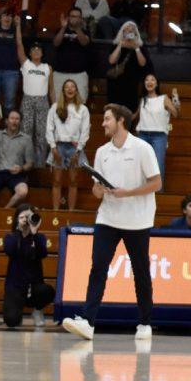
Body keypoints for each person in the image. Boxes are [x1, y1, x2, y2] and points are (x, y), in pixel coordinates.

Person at [62, 104, 162, 341]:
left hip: (138, 219)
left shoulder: (142, 148)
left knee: (141, 271)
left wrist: (127, 193)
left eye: (107, 119)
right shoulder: (101, 152)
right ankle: (88, 321)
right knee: (98, 267)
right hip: (107, 217)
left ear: (120, 121)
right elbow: (97, 192)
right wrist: (99, 188)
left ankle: (145, 323)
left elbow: (156, 183)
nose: (103, 123)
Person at [2, 204, 54, 328]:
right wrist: (19, 230)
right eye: (22, 217)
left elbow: (42, 253)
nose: (25, 220)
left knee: (48, 291)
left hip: (34, 286)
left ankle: (37, 310)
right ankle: (17, 312)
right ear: (16, 220)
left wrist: (34, 232)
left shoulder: (39, 238)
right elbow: (10, 250)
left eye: (28, 216)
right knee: (11, 321)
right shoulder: (10, 237)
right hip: (15, 286)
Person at [46, 79, 90, 211]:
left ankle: (70, 212)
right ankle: (55, 211)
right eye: (67, 87)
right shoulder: (55, 107)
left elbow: (85, 131)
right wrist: (53, 148)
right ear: (63, 90)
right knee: (57, 181)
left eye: (73, 87)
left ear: (76, 90)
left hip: (74, 147)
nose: (70, 89)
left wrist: (78, 151)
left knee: (73, 181)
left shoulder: (83, 109)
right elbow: (49, 128)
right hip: (58, 147)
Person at [16, 19, 52, 167]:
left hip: (43, 101)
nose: (36, 51)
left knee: (42, 134)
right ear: (30, 53)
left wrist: (55, 106)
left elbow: (51, 89)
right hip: (28, 101)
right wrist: (18, 26)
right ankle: (25, 162)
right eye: (33, 50)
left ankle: (40, 164)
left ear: (42, 53)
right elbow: (19, 45)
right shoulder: (26, 64)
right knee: (25, 132)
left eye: (39, 50)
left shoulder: (47, 67)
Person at [134, 74, 179, 182]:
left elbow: (176, 113)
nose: (149, 82)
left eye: (152, 80)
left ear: (157, 83)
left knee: (158, 165)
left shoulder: (163, 98)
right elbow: (134, 116)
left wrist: (175, 98)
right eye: (146, 80)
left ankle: (158, 195)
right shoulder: (142, 100)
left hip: (159, 136)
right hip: (142, 135)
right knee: (141, 166)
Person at [106, 21, 152, 113]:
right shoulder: (116, 45)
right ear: (122, 32)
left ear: (136, 33)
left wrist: (136, 47)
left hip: (131, 84)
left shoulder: (140, 46)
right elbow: (111, 60)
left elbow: (143, 63)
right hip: (116, 83)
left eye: (131, 31)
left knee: (129, 111)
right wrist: (120, 45)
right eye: (126, 31)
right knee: (115, 112)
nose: (129, 33)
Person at [52, 7, 91, 103]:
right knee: (57, 102)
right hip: (60, 72)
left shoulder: (85, 32)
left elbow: (84, 42)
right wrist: (63, 27)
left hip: (79, 73)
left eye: (78, 17)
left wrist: (77, 28)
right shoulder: (61, 30)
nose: (75, 19)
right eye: (73, 16)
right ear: (68, 18)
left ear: (81, 19)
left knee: (81, 102)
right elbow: (56, 43)